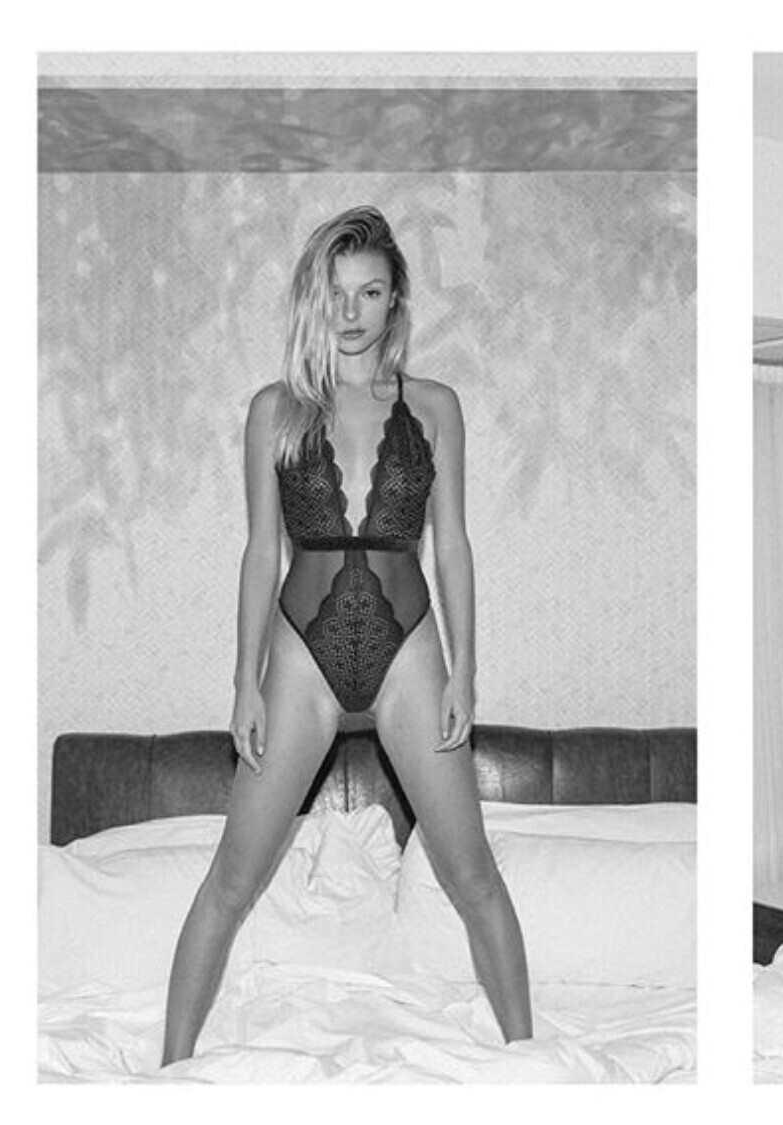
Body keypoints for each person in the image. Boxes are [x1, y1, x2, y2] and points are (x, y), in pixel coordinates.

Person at [162, 206, 532, 1065]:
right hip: (302, 655)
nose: (352, 310)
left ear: (395, 299)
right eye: (336, 293)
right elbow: (261, 551)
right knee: (230, 879)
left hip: (410, 654)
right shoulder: (275, 410)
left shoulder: (435, 406)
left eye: (370, 291)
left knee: (473, 874)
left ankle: (531, 1062)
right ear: (313, 299)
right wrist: (244, 682)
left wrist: (466, 673)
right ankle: (168, 1070)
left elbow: (453, 545)